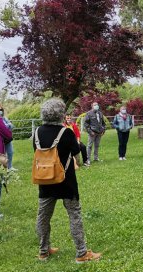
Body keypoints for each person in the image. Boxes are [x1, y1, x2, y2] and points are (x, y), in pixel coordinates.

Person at [34, 98, 101, 263]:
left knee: (43, 216)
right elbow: (77, 153)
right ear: (61, 115)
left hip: (45, 180)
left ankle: (43, 251)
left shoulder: (37, 132)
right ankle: (81, 253)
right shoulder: (66, 132)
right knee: (74, 215)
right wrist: (76, 162)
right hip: (66, 181)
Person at [0, 104, 16, 170]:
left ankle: (10, 166)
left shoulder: (4, 118)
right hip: (0, 139)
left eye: (1, 110)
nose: (0, 111)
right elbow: (2, 127)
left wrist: (8, 125)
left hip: (7, 139)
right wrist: (8, 125)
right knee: (1, 154)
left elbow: (12, 126)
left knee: (10, 152)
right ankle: (3, 168)